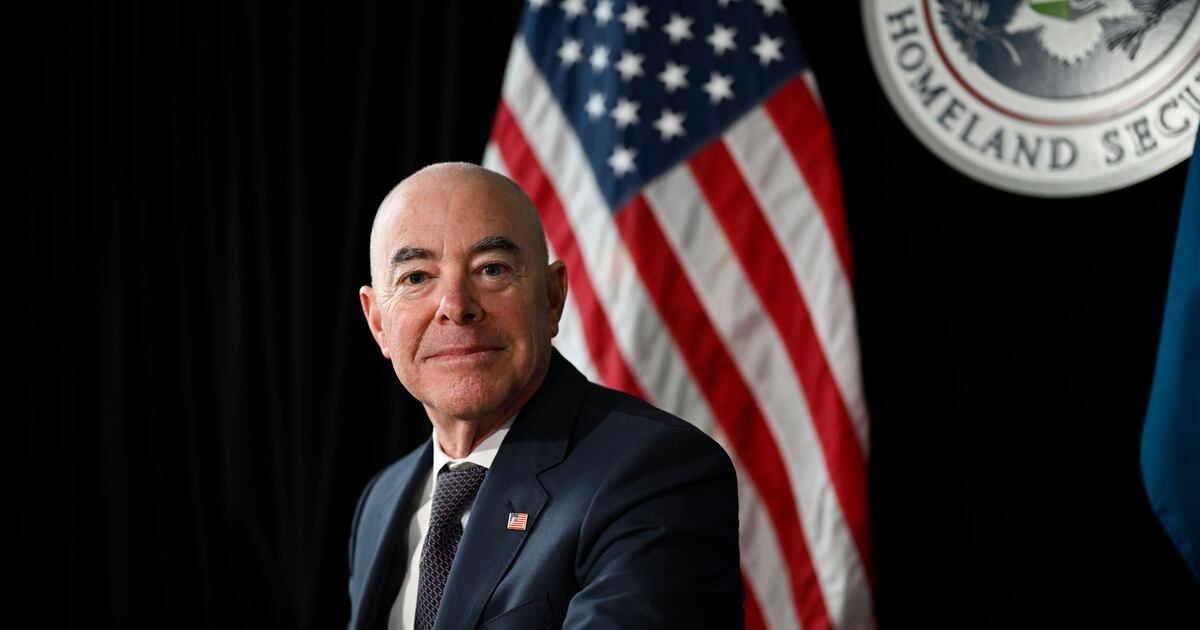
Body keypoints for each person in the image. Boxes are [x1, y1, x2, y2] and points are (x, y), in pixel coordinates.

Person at [348, 162, 743, 630]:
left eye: (491, 269)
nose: (455, 306)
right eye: (416, 278)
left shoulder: (655, 473)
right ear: (378, 323)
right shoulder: (383, 499)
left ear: (552, 298)